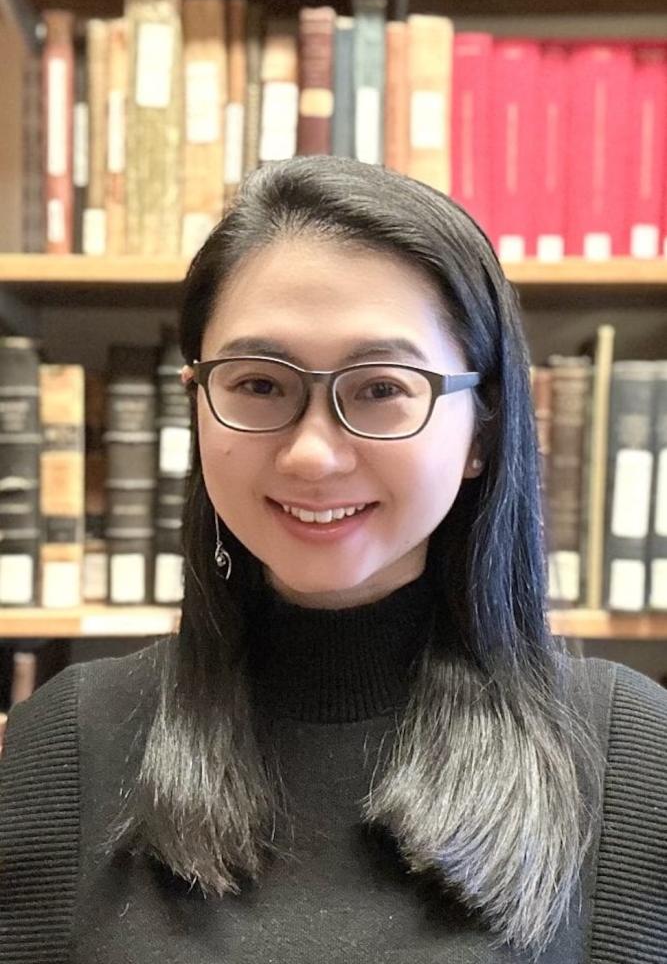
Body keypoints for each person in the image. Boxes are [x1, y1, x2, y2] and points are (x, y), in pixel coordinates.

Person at [1, 156, 665, 964]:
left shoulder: (631, 754)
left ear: (480, 432)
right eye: (258, 384)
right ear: (197, 405)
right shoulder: (65, 743)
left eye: (382, 388)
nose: (313, 456)